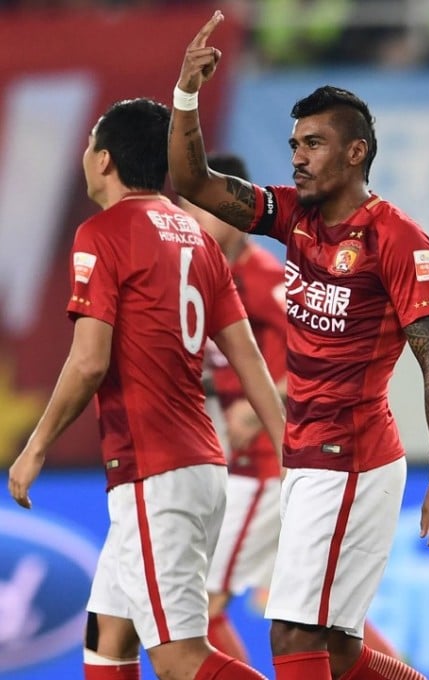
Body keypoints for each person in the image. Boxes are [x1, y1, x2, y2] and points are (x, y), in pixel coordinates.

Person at [169, 12, 429, 680]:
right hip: (306, 459)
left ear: (356, 152)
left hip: (352, 458)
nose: (298, 156)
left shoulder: (398, 240)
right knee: (336, 647)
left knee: (291, 632)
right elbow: (194, 184)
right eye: (294, 144)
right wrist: (186, 95)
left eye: (313, 143)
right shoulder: (292, 216)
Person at [6, 97, 285, 680]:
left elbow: (89, 362)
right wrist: (292, 450)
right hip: (201, 468)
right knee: (108, 633)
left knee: (180, 657)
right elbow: (250, 360)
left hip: (154, 473)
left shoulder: (102, 232)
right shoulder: (198, 239)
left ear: (104, 159)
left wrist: (35, 447)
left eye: (89, 143)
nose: (84, 153)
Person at [188, 153, 407, 668]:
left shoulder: (267, 280)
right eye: (188, 208)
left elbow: (321, 351)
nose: (195, 221)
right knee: (319, 623)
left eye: (204, 209)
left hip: (268, 465)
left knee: (199, 602)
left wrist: (264, 401)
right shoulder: (205, 277)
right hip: (261, 465)